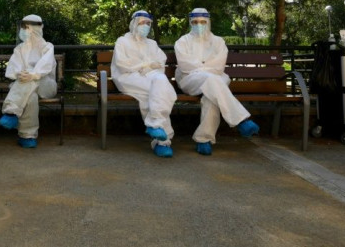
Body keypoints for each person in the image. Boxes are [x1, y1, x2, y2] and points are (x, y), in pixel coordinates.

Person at [174, 8, 260, 156]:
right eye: (195, 22)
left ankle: (204, 140)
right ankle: (240, 120)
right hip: (190, 80)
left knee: (211, 96)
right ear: (190, 23)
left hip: (216, 78)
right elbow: (185, 65)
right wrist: (206, 69)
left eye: (202, 21)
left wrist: (202, 67)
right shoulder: (183, 41)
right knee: (211, 79)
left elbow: (219, 66)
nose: (198, 24)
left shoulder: (218, 42)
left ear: (208, 22)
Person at [111, 10, 177, 158]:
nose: (145, 26)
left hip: (149, 79)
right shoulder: (122, 41)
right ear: (133, 23)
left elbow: (161, 62)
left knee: (157, 89)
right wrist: (145, 65)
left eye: (148, 23)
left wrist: (147, 67)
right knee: (164, 90)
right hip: (127, 78)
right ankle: (163, 140)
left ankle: (157, 131)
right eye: (142, 22)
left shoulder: (152, 44)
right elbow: (122, 64)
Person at [0, 14, 57, 148]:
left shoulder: (47, 47)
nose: (23, 30)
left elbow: (45, 66)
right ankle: (27, 137)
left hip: (45, 85)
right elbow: (13, 67)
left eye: (26, 27)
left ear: (34, 28)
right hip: (25, 87)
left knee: (30, 82)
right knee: (31, 97)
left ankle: (11, 112)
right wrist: (19, 73)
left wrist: (33, 75)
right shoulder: (20, 49)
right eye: (22, 27)